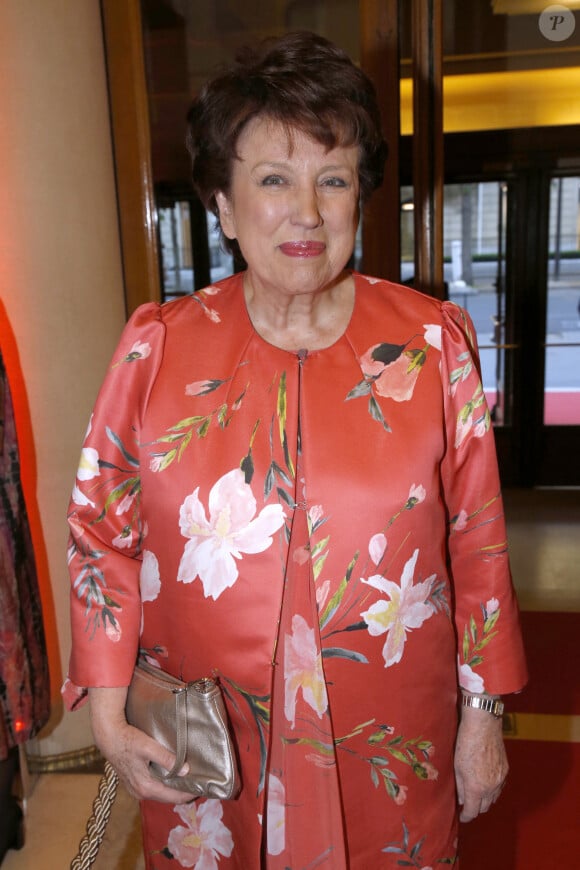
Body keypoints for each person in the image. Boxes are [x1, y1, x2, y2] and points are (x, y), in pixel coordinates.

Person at [64, 31, 527, 869]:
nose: (306, 212)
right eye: (273, 180)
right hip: (214, 736)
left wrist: (483, 716)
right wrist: (107, 713)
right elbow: (101, 532)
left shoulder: (431, 344)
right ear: (225, 205)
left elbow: (480, 543)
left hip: (390, 726)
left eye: (333, 179)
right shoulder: (157, 349)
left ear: (361, 197)